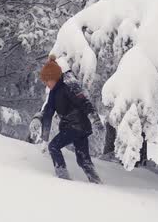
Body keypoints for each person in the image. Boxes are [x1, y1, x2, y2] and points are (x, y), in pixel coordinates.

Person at [30, 55, 103, 183]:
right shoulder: (54, 92)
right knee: (83, 159)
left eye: (47, 80)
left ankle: (63, 179)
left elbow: (84, 102)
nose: (46, 83)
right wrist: (38, 118)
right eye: (44, 81)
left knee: (54, 146)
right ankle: (96, 182)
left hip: (76, 126)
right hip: (77, 128)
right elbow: (48, 110)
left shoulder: (68, 86)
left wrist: (95, 119)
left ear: (54, 77)